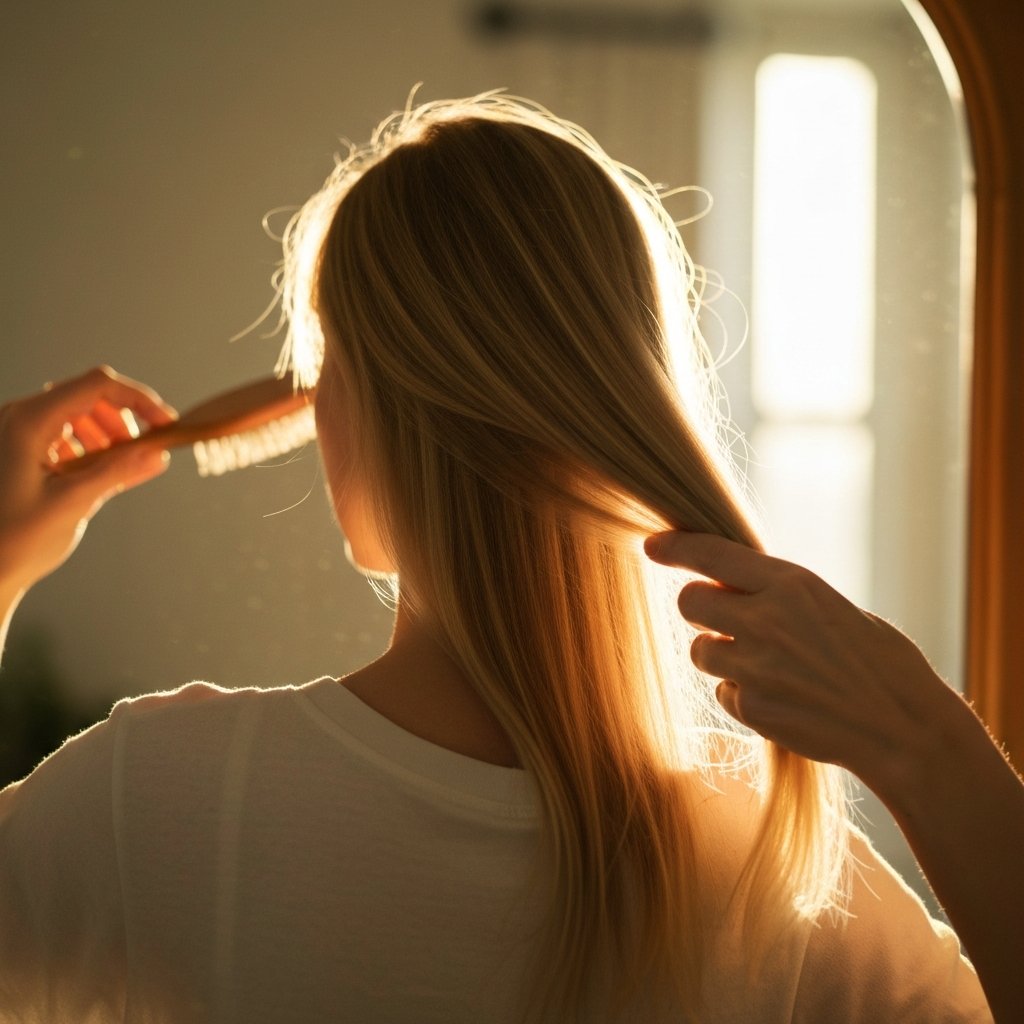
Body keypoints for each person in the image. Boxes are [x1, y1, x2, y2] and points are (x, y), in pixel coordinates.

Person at [0, 93, 996, 1022]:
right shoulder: (783, 878)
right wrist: (933, 749)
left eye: (323, 358)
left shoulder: (156, 802)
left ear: (364, 406)